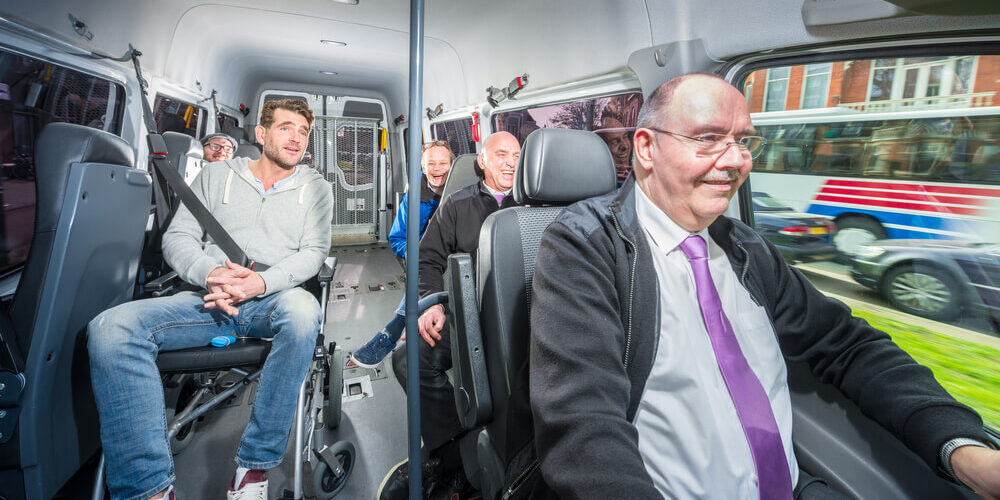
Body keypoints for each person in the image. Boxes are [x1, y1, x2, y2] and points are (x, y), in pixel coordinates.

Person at [528, 74, 1000, 500]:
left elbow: (848, 345)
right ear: (647, 148)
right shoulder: (585, 247)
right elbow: (585, 427)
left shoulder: (746, 248)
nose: (737, 160)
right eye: (709, 139)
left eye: (744, 141)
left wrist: (962, 448)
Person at [88, 98, 333, 500]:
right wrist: (211, 274)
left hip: (274, 299)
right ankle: (149, 489)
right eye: (286, 127)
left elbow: (314, 252)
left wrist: (260, 283)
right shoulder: (216, 176)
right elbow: (178, 238)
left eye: (303, 132)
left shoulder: (316, 189)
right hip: (209, 300)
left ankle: (253, 467)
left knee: (305, 312)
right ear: (261, 133)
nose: (296, 138)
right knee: (110, 329)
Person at [377, 131, 522, 500]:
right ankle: (454, 453)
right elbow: (426, 259)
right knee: (408, 359)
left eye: (517, 155)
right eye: (501, 154)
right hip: (473, 316)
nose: (510, 162)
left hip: (525, 319)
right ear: (482, 161)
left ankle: (456, 462)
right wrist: (432, 304)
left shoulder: (534, 203)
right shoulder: (458, 205)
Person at [349, 140, 454, 368]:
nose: (437, 168)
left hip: (455, 259)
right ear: (423, 167)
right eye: (431, 163)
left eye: (443, 163)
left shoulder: (462, 195)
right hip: (427, 260)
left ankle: (393, 331)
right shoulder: (413, 199)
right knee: (423, 270)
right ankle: (400, 329)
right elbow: (397, 239)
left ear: (452, 165)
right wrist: (416, 255)